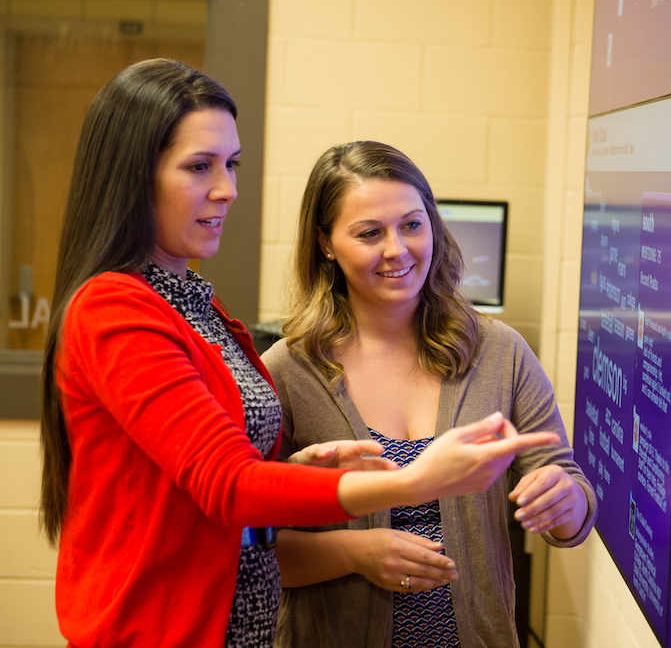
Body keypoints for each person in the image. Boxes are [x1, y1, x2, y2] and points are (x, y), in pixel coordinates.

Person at [38, 60, 556, 648]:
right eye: (199, 166)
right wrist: (412, 483)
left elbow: (226, 491)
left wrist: (292, 473)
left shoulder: (194, 305)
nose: (227, 189)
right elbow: (228, 486)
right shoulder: (116, 309)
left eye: (231, 165)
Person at [261, 141, 598, 647]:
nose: (397, 249)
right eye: (370, 233)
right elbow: (251, 547)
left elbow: (569, 499)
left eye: (412, 225)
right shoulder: (288, 370)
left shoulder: (499, 351)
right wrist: (354, 554)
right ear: (325, 243)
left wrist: (564, 501)